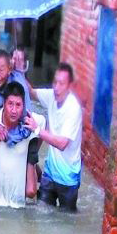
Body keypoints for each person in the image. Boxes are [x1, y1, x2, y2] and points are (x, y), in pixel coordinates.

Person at [0, 49, 39, 197]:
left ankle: (32, 165)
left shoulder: (18, 84)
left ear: (9, 70)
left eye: (1, 70)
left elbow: (28, 124)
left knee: (30, 191)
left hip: (19, 129)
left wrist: (4, 136)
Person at [25, 62, 82, 211]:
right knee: (41, 213)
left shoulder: (73, 108)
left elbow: (63, 144)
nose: (56, 87)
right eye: (55, 82)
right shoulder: (51, 96)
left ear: (69, 86)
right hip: (50, 173)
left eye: (61, 84)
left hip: (68, 178)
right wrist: (19, 70)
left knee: (66, 222)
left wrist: (37, 130)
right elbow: (30, 92)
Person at [0, 82, 45, 208]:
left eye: (18, 105)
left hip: (17, 204)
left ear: (24, 106)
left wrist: (31, 155)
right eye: (10, 104)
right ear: (4, 104)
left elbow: (42, 126)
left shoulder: (31, 124)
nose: (14, 110)